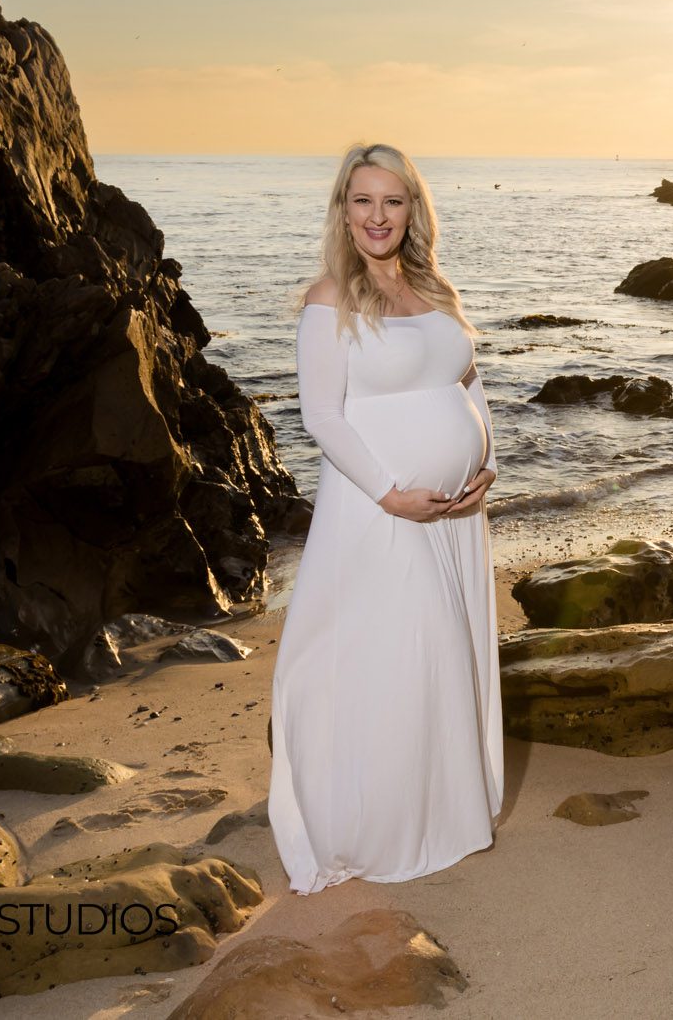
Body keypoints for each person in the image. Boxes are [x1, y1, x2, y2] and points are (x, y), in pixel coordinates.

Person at [268, 142, 503, 890]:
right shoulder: (329, 299)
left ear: (412, 210)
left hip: (456, 513)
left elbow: (468, 378)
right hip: (381, 510)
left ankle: (448, 812)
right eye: (363, 200)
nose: (378, 216)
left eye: (392, 201)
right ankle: (382, 824)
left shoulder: (434, 288)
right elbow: (322, 417)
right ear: (343, 210)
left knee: (444, 656)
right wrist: (390, 494)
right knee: (396, 656)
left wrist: (489, 464)